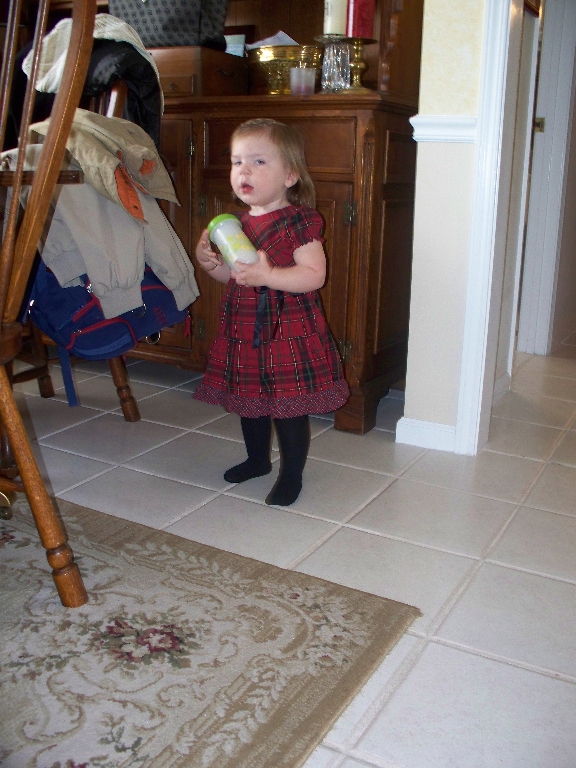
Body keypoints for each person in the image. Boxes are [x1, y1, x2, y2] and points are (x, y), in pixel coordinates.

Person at [193, 118, 350, 506]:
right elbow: (234, 278)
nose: (244, 171)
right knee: (250, 403)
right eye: (237, 162)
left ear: (290, 175)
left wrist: (270, 275)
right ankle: (257, 460)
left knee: (288, 408)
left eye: (258, 161)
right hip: (245, 332)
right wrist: (209, 264)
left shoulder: (299, 222)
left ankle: (291, 475)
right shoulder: (236, 226)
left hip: (287, 332)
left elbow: (314, 275)